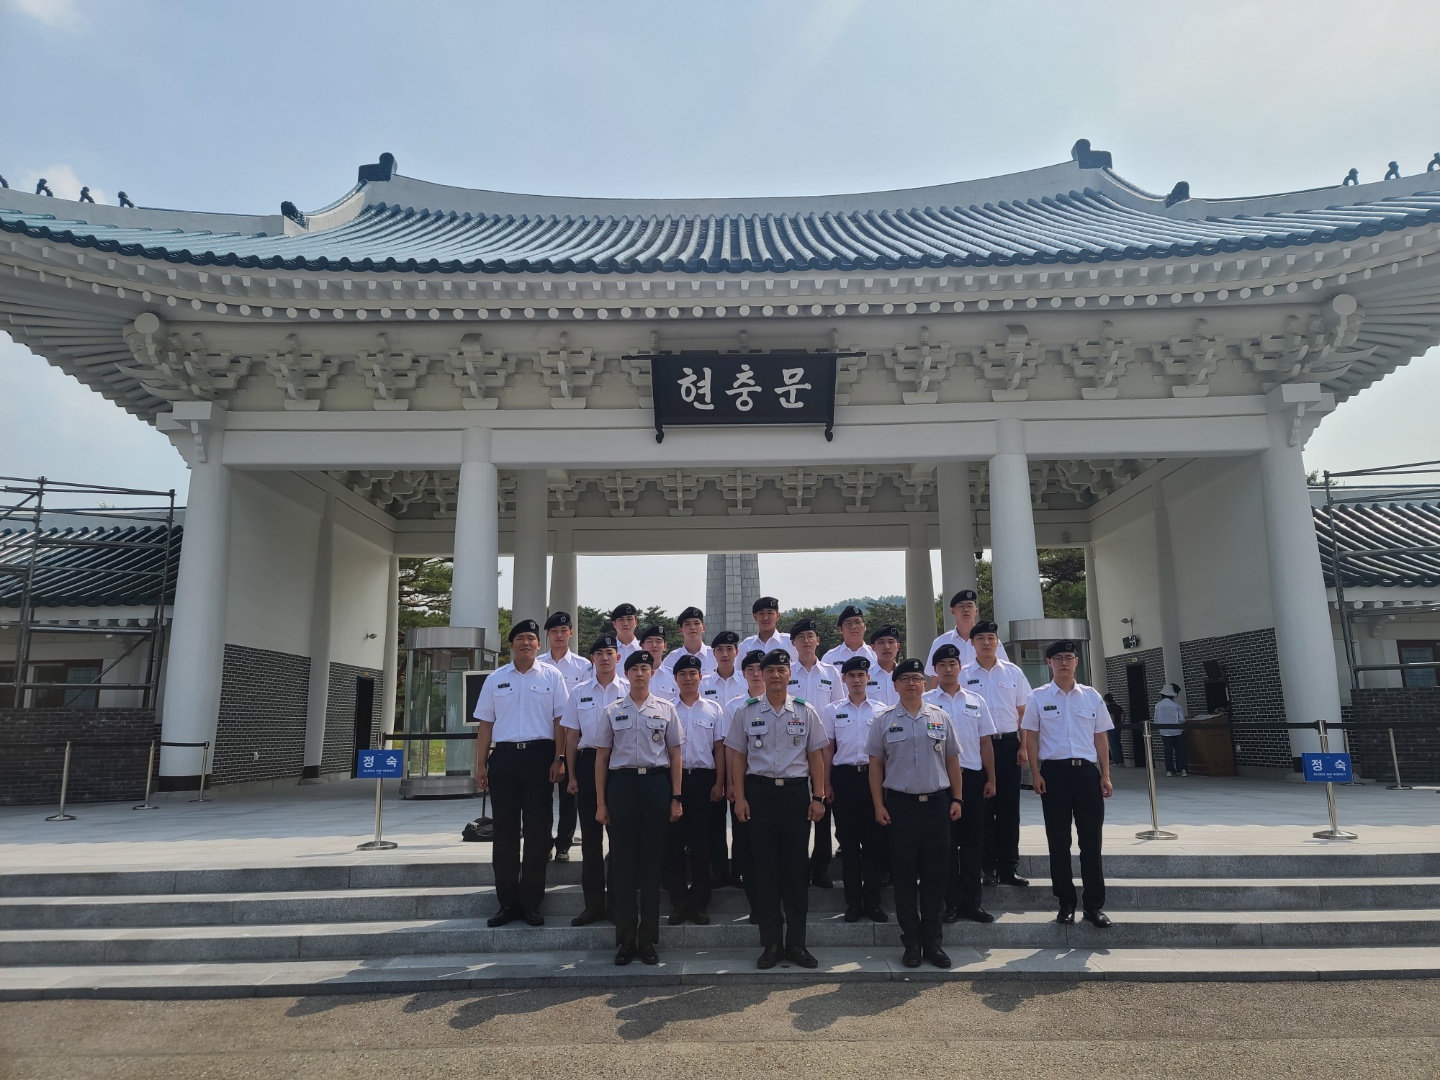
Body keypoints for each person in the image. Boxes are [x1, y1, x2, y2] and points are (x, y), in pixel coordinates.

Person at [725, 649, 828, 970]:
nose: (775, 675)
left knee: (796, 871)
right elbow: (738, 757)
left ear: (789, 674)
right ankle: (771, 943)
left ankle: (797, 943)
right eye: (769, 670)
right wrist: (740, 797)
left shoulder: (805, 711)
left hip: (795, 795)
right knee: (765, 870)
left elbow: (816, 756)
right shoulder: (746, 711)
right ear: (762, 674)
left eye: (781, 670)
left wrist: (818, 797)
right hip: (760, 794)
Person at [867, 656, 965, 969]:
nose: (911, 683)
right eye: (905, 679)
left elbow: (952, 760)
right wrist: (879, 804)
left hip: (937, 805)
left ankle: (933, 943)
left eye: (916, 679)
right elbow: (875, 765)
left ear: (925, 684)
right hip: (901, 807)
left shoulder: (940, 716)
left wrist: (957, 799)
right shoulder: (883, 720)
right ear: (895, 685)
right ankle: (911, 942)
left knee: (936, 877)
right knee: (905, 877)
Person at [472, 619, 570, 927]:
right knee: (504, 832)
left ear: (539, 644)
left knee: (538, 832)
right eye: (520, 639)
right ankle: (507, 903)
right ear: (511, 645)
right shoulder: (496, 679)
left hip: (540, 757)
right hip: (504, 758)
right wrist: (481, 764)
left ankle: (531, 903)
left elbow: (560, 721)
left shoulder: (552, 676)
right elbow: (485, 724)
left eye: (531, 638)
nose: (525, 643)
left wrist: (559, 758)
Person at [594, 650, 683, 966]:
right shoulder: (612, 710)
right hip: (622, 786)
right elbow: (602, 758)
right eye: (635, 669)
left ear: (652, 673)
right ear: (627, 674)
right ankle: (626, 939)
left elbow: (675, 755)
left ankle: (647, 939)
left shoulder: (666, 709)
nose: (640, 673)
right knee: (622, 865)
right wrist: (601, 802)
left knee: (651, 866)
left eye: (645, 668)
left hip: (656, 785)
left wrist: (676, 796)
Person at [1022, 639, 1115, 928]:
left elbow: (1100, 737)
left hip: (1086, 774)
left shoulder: (1091, 696)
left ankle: (1094, 906)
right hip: (1055, 774)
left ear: (1077, 662)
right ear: (1049, 662)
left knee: (1091, 842)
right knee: (1058, 841)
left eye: (1069, 657)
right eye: (1058, 658)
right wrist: (1035, 773)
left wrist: (1105, 774)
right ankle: (1065, 902)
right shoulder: (1038, 696)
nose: (1064, 662)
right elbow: (1031, 736)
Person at [560, 633, 629, 926]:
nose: (604, 658)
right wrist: (571, 774)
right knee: (590, 839)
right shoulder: (579, 692)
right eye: (599, 653)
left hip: (620, 766)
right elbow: (571, 736)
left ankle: (617, 904)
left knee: (619, 839)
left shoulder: (629, 690)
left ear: (618, 657)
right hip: (588, 764)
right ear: (592, 659)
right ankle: (593, 905)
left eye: (609, 653)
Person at [926, 643, 997, 924]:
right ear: (935, 670)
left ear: (960, 668)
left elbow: (985, 742)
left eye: (952, 664)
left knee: (972, 844)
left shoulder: (976, 700)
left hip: (973, 778)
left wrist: (991, 778)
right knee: (946, 845)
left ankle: (972, 903)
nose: (948, 669)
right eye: (942, 665)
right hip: (940, 781)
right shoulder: (926, 702)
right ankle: (951, 903)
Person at [963, 620, 1032, 888]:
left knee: (1009, 810)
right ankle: (987, 867)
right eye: (980, 638)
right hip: (977, 747)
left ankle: (1009, 867)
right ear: (972, 643)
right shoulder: (964, 674)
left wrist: (1023, 746)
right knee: (982, 810)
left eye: (991, 638)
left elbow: (1023, 713)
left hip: (1008, 746)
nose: (986, 643)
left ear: (997, 641)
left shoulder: (1013, 672)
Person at [821, 656, 887, 923]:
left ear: (868, 678)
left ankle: (873, 902)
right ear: (844, 679)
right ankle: (853, 904)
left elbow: (887, 752)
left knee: (874, 843)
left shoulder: (882, 710)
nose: (857, 680)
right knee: (848, 845)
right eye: (851, 676)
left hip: (873, 779)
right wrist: (826, 783)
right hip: (845, 779)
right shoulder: (832, 710)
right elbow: (828, 749)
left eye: (861, 675)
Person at [665, 654, 725, 925]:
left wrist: (719, 782)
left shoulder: (713, 709)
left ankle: (700, 902)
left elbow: (719, 749)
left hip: (704, 780)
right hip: (674, 782)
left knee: (702, 844)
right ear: (675, 679)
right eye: (683, 675)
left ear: (701, 677)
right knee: (674, 844)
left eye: (693, 674)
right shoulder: (667, 708)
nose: (688, 679)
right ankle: (679, 903)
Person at [787, 618, 843, 888]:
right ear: (793, 643)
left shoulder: (831, 673)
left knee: (823, 804)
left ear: (817, 640)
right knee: (797, 808)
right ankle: (797, 865)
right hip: (793, 748)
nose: (806, 641)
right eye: (801, 637)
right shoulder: (786, 672)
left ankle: (820, 867)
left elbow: (839, 708)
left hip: (823, 748)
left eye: (810, 636)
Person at [539, 611, 593, 863]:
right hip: (543, 738)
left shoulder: (583, 666)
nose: (559, 635)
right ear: (547, 635)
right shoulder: (538, 664)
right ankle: (543, 842)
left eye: (563, 631)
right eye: (554, 631)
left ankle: (564, 843)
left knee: (569, 794)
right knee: (540, 796)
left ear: (571, 632)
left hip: (573, 739)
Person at [700, 630, 745, 888]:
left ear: (736, 652)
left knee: (742, 818)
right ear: (713, 653)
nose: (725, 654)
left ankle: (740, 869)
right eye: (720, 650)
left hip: (742, 757)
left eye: (729, 649)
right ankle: (717, 869)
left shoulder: (747, 681)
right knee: (714, 820)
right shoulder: (703, 683)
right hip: (713, 756)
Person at [725, 649, 769, 912]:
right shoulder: (735, 707)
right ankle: (742, 874)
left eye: (759, 669)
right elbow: (731, 749)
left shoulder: (785, 704)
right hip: (746, 781)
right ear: (743, 674)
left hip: (772, 782)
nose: (755, 674)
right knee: (744, 833)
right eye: (750, 670)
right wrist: (731, 783)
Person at [925, 590, 1010, 678]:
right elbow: (935, 678)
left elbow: (1003, 670)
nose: (965, 610)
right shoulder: (941, 642)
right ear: (953, 611)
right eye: (961, 606)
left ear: (976, 611)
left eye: (969, 606)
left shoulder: (991, 641)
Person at [739, 596, 798, 662]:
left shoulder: (790, 642)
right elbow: (738, 668)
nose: (765, 618)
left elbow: (798, 667)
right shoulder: (746, 645)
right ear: (755, 617)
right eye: (761, 613)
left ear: (777, 616)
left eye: (770, 613)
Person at [660, 606, 716, 675]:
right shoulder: (671, 659)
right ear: (680, 630)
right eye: (687, 624)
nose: (692, 627)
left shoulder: (715, 656)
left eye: (696, 623)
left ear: (703, 628)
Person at [639, 625, 680, 702]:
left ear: (665, 646)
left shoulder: (674, 676)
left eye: (658, 641)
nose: (654, 645)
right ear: (642, 646)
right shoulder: (634, 675)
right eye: (649, 641)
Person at [1155, 683, 1189, 776]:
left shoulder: (1158, 705)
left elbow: (1156, 720)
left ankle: (1169, 770)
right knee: (1180, 750)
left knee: (1168, 751)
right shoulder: (1176, 705)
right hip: (1177, 731)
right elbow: (1181, 719)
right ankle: (1183, 769)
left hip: (1164, 732)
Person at [866, 625, 902, 709]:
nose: (886, 647)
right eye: (881, 643)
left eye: (891, 642)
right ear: (873, 647)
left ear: (898, 646)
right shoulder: (865, 676)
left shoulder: (907, 675)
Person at [1102, 693, 1127, 768]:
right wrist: (1122, 722)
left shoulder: (1107, 707)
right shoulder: (1117, 706)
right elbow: (1124, 713)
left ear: (1106, 700)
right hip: (1118, 726)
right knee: (1118, 743)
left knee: (1113, 744)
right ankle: (1122, 761)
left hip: (1111, 727)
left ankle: (1117, 761)